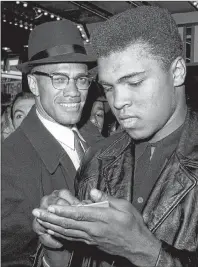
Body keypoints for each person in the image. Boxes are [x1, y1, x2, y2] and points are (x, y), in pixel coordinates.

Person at [32, 6, 198, 267]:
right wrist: (57, 246)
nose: (118, 102)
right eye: (109, 87)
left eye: (134, 82)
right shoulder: (97, 161)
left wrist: (144, 250)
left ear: (177, 72)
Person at [1, 19, 104, 267]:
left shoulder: (96, 139)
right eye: (59, 79)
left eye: (81, 79)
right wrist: (50, 256)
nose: (74, 92)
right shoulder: (9, 164)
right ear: (34, 84)